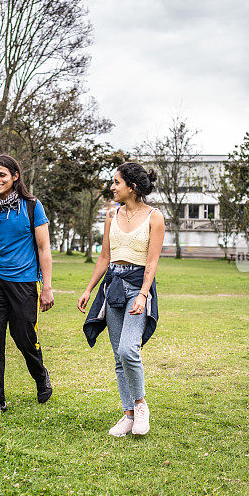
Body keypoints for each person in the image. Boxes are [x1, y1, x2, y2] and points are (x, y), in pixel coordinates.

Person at [78, 162, 165, 436]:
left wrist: (142, 294)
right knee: (118, 355)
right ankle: (127, 415)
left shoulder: (155, 217)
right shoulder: (110, 215)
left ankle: (140, 406)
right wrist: (89, 288)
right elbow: (105, 256)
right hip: (113, 285)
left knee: (129, 349)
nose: (112, 187)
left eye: (116, 182)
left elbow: (152, 262)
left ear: (132, 186)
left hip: (138, 286)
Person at [0, 154, 55, 416]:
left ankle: (40, 375)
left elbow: (43, 247)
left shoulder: (31, 206)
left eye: (2, 175)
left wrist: (47, 286)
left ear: (15, 176)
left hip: (24, 283)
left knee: (25, 338)